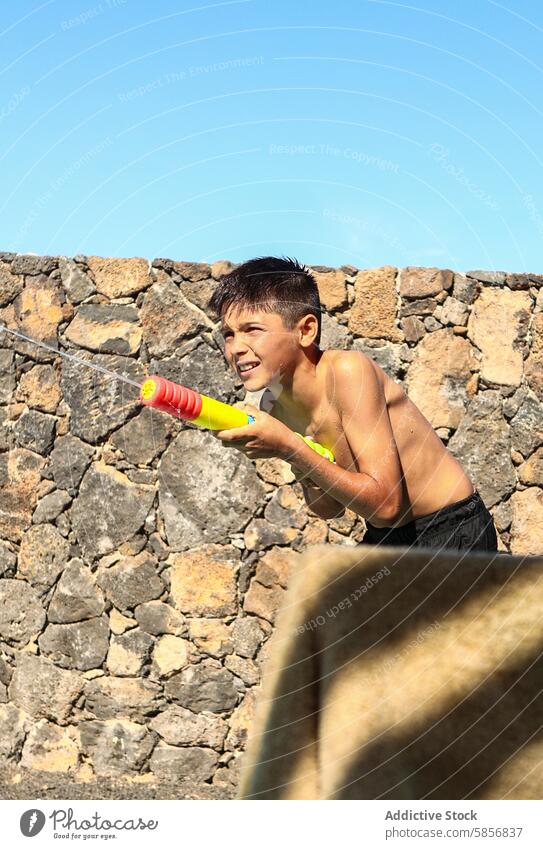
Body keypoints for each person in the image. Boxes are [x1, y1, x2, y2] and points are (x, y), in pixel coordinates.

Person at [208, 256, 498, 553]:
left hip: (453, 531)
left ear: (306, 331)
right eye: (228, 334)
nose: (236, 348)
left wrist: (288, 447)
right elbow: (329, 508)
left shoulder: (347, 372)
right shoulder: (275, 406)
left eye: (252, 330)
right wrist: (300, 459)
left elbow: (387, 506)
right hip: (388, 538)